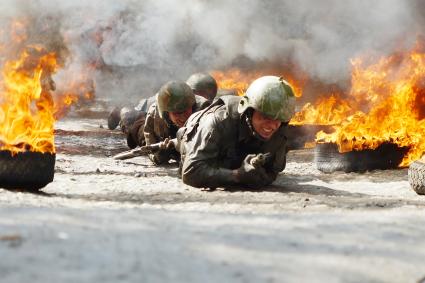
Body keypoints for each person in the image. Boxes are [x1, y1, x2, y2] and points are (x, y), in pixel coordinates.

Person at [177, 76, 296, 189]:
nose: (272, 125)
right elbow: (190, 172)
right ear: (249, 111)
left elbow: (272, 172)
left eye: (278, 119)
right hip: (192, 136)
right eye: (265, 117)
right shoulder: (218, 122)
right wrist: (237, 175)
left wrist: (257, 178)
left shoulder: (280, 130)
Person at [107, 72, 218, 148]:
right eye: (201, 95)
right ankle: (121, 111)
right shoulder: (163, 101)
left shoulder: (202, 106)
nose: (205, 99)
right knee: (133, 123)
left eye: (209, 97)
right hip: (145, 114)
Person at [144, 81, 210, 165]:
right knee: (136, 128)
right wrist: (162, 154)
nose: (183, 117)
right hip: (161, 135)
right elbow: (151, 152)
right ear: (166, 113)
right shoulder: (154, 115)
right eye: (177, 113)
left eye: (186, 111)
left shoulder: (204, 110)